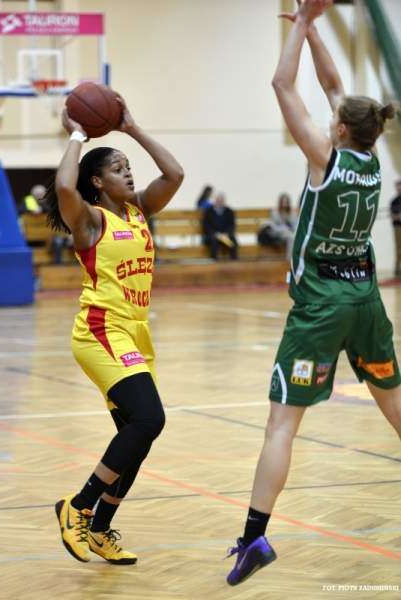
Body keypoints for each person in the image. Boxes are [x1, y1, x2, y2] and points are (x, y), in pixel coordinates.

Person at [226, 0, 400, 586]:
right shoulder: (372, 161)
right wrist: (316, 27)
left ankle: (254, 536)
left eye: (334, 118)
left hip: (321, 308)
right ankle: (253, 537)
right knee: (394, 405)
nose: (328, 119)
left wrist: (300, 23)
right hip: (366, 302)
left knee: (281, 425)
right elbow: (334, 88)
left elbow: (283, 85)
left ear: (340, 129)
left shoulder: (324, 157)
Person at [44, 95, 183, 565]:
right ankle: (78, 506)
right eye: (118, 169)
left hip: (135, 334)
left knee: (137, 440)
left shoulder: (139, 211)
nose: (129, 174)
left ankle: (100, 529)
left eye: (129, 168)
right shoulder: (90, 220)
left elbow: (175, 174)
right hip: (101, 331)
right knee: (149, 420)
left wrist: (132, 128)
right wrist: (77, 135)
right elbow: (65, 186)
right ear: (98, 182)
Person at [257, 193, 297, 259]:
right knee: (290, 237)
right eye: (283, 202)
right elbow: (273, 226)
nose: (284, 204)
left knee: (291, 237)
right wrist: (282, 229)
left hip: (288, 233)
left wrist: (289, 229)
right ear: (280, 202)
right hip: (277, 233)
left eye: (286, 202)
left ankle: (290, 258)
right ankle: (289, 258)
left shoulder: (292, 213)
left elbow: (295, 225)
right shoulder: (275, 212)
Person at [203, 193, 238, 260]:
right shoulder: (209, 212)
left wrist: (226, 233)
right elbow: (206, 226)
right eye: (218, 200)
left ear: (224, 201)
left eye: (221, 201)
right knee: (214, 242)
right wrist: (215, 234)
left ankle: (234, 261)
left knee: (232, 242)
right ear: (215, 201)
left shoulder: (229, 211)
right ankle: (214, 261)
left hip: (225, 235)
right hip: (213, 235)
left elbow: (232, 225)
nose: (219, 202)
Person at [390, 179, 401, 277]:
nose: (399, 188)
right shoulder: (394, 201)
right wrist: (398, 216)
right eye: (398, 186)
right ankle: (397, 270)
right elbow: (392, 215)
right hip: (398, 227)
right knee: (398, 248)